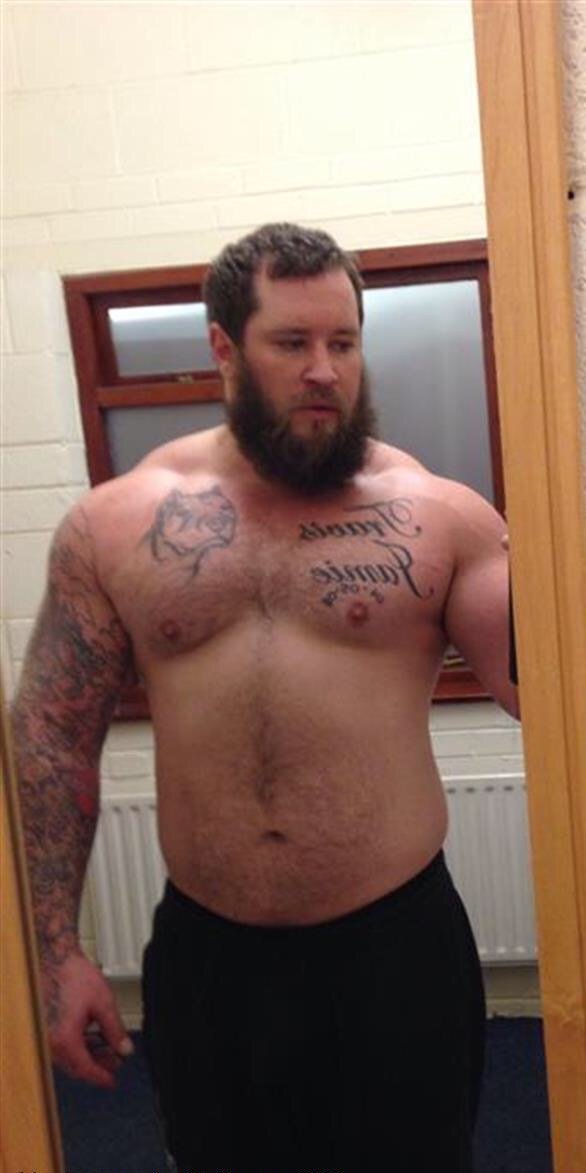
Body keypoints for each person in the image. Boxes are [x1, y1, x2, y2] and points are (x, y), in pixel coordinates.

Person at [12, 222, 519, 1173]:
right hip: (212, 957)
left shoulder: (440, 516)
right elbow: (50, 735)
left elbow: (547, 692)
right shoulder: (117, 523)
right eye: (292, 342)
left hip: (394, 948)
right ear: (224, 347)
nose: (325, 370)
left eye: (344, 342)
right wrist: (53, 950)